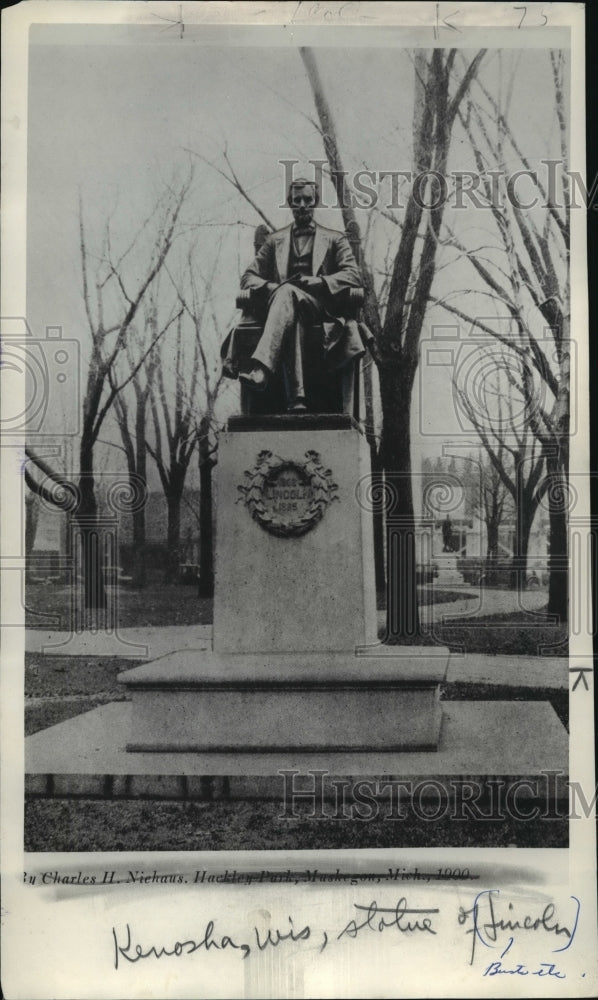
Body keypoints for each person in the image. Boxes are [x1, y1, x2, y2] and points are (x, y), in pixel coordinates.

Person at [237, 178, 365, 412]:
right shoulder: (275, 241)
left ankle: (262, 369)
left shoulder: (335, 238)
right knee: (287, 300)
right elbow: (248, 277)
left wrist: (321, 281)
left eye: (307, 199)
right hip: (287, 311)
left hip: (321, 310)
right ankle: (297, 399)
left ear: (315, 202)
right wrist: (268, 287)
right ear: (290, 203)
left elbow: (354, 276)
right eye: (297, 201)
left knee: (287, 295)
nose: (302, 205)